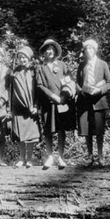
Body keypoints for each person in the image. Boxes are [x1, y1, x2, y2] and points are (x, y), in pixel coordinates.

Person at [35, 39, 75, 170]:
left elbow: (69, 81)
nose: (49, 51)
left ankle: (61, 157)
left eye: (51, 48)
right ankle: (50, 156)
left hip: (62, 102)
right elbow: (40, 85)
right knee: (48, 130)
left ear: (55, 51)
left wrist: (63, 96)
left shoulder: (62, 65)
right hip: (48, 103)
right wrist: (52, 96)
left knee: (61, 130)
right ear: (44, 52)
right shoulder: (40, 67)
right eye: (46, 49)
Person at [75, 39, 110, 166]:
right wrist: (82, 91)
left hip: (98, 101)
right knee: (87, 130)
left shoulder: (103, 64)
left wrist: (99, 90)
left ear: (95, 50)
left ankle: (100, 156)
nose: (88, 51)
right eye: (86, 49)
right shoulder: (82, 65)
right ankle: (90, 156)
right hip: (85, 101)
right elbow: (77, 83)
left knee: (99, 130)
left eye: (91, 48)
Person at [8, 46, 40, 167]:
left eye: (24, 57)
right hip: (18, 107)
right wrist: (10, 108)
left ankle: (29, 159)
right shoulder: (14, 73)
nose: (22, 60)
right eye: (20, 57)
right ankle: (21, 158)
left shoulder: (34, 71)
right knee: (20, 135)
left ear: (29, 58)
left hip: (31, 107)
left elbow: (38, 90)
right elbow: (11, 91)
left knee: (31, 136)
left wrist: (36, 106)